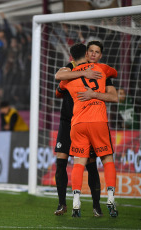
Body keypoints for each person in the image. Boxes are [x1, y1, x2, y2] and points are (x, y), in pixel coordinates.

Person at [53, 41, 118, 217]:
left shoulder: (70, 74)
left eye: (97, 52)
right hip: (78, 121)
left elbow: (59, 85)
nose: (94, 54)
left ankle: (89, 205)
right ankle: (63, 204)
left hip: (78, 122)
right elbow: (58, 89)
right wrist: (85, 72)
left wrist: (92, 91)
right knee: (66, 162)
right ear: (87, 53)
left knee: (86, 164)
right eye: (91, 51)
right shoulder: (96, 69)